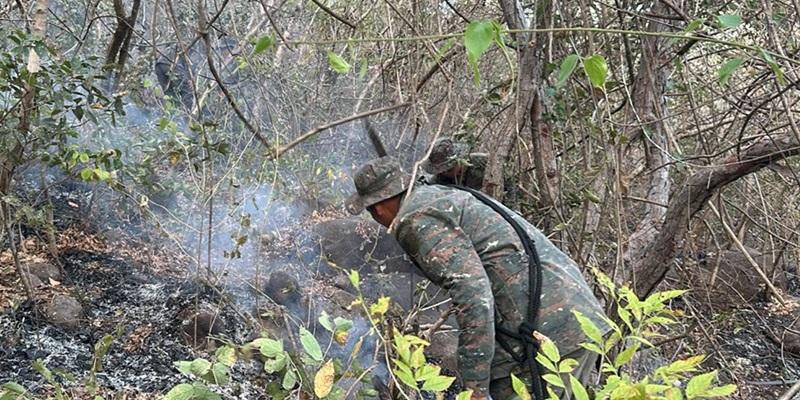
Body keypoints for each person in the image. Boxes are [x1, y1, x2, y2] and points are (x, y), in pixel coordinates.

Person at [346, 156, 608, 400]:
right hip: (577, 319)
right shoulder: (443, 197)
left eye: (371, 211)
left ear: (378, 208)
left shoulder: (416, 218)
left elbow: (472, 293)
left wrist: (475, 387)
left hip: (548, 336)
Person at [422, 138, 488, 191]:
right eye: (441, 172)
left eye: (447, 171)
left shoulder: (482, 163)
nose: (444, 174)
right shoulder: (440, 179)